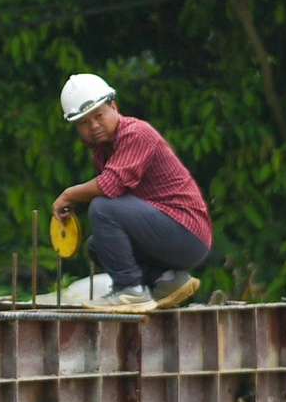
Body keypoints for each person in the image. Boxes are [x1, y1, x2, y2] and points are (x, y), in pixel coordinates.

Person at [50, 74, 210, 313]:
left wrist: (69, 194)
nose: (93, 126)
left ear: (114, 107)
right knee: (99, 246)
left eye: (99, 116)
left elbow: (109, 186)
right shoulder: (102, 154)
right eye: (83, 122)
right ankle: (166, 280)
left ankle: (131, 291)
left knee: (102, 207)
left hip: (186, 233)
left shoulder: (136, 133)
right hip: (166, 237)